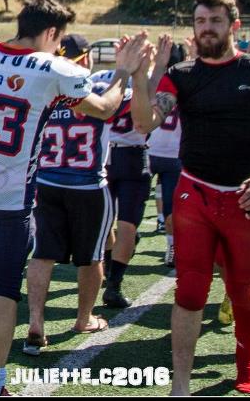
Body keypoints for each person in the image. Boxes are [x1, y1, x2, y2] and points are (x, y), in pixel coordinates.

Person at [0, 0, 148, 396]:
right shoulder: (52, 68)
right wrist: (122, 71)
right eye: (59, 38)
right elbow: (103, 109)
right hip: (10, 199)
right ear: (51, 33)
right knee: (5, 293)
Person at [130, 0, 250, 395]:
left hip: (246, 197)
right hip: (195, 195)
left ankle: (244, 365)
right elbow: (145, 123)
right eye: (200, 21)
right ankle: (181, 383)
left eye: (215, 21)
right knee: (190, 288)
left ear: (234, 26)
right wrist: (138, 75)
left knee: (243, 290)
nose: (206, 28)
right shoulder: (182, 74)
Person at [23, 34, 125, 355]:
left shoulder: (43, 87)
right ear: (86, 58)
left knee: (42, 254)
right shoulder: (91, 90)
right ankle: (83, 319)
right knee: (91, 256)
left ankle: (36, 323)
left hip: (46, 183)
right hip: (88, 186)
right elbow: (123, 109)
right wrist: (127, 72)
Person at [91, 34, 172, 308]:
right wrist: (157, 67)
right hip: (133, 157)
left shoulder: (102, 78)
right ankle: (114, 285)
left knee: (106, 222)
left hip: (103, 155)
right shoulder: (142, 81)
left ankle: (107, 270)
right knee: (127, 225)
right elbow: (148, 109)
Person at [147, 42, 186, 269]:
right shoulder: (188, 81)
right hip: (175, 155)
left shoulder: (153, 82)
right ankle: (171, 246)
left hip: (149, 150)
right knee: (173, 208)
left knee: (131, 206)